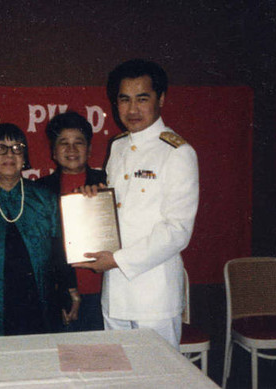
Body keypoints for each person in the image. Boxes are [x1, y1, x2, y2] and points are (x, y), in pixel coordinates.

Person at [73, 59, 199, 349]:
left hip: (153, 295)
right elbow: (119, 210)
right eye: (124, 99)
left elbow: (177, 230)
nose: (132, 110)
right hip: (115, 293)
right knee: (120, 375)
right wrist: (96, 199)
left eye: (142, 99)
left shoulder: (178, 152)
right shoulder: (118, 147)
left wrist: (117, 260)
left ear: (161, 99)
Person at [0, 123, 77, 336]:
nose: (9, 154)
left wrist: (69, 292)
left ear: (25, 156)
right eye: (0, 148)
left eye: (17, 148)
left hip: (38, 303)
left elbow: (59, 250)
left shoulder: (44, 198)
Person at [37, 111, 106, 332]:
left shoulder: (107, 183)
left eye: (79, 143)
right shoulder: (39, 190)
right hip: (62, 293)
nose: (72, 150)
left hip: (106, 291)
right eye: (63, 143)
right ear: (53, 151)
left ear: (90, 149)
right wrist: (61, 294)